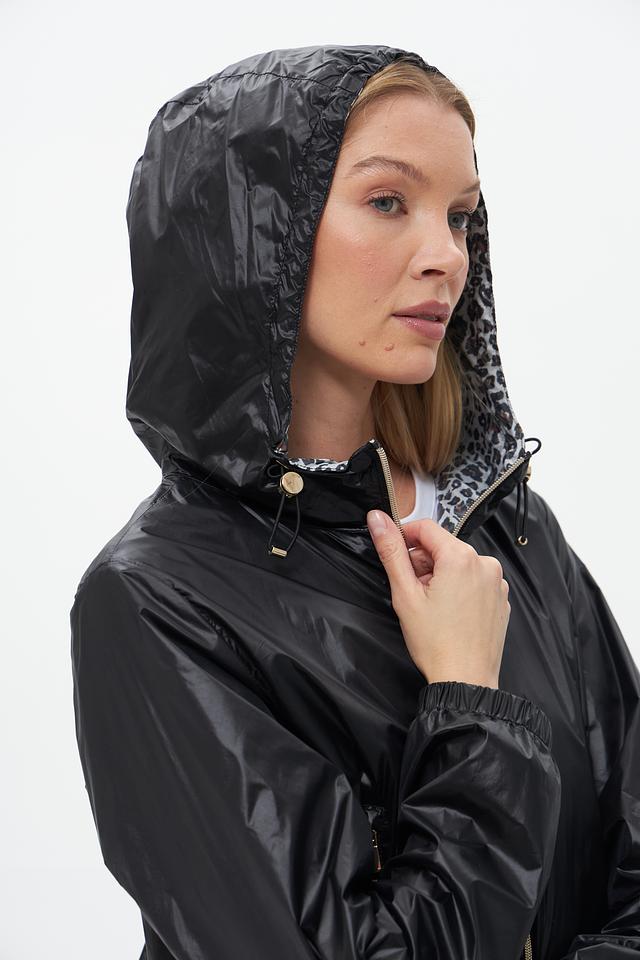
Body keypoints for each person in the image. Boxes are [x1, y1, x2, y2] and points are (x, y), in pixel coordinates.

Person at [69, 44, 640, 960]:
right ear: (254, 233)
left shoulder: (505, 529)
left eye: (461, 217)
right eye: (388, 202)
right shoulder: (158, 600)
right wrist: (468, 700)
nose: (446, 256)